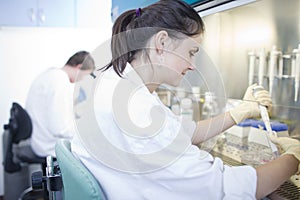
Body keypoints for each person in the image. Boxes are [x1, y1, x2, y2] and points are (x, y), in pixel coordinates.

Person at [71, 0, 300, 199]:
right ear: (161, 43)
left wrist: (239, 111)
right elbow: (223, 189)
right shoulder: (136, 110)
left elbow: (183, 133)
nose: (192, 65)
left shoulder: (119, 86)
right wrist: (293, 158)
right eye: (191, 52)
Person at [26, 51, 95, 157]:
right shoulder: (60, 80)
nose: (81, 80)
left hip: (39, 141)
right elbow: (60, 128)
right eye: (85, 75)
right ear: (79, 67)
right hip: (48, 147)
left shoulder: (49, 74)